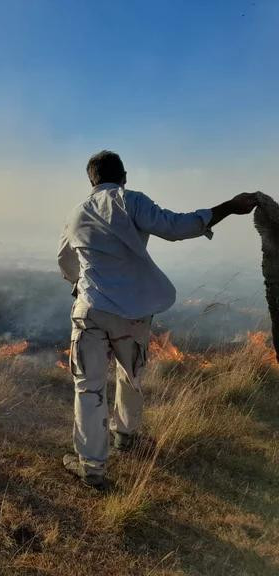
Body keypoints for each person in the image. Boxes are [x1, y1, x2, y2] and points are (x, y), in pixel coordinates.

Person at [58, 150, 258, 488]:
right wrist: (229, 207)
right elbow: (177, 227)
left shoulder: (77, 213)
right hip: (133, 313)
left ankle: (92, 468)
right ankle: (125, 436)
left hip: (89, 311)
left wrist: (78, 284)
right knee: (131, 375)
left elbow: (65, 259)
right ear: (123, 176)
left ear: (91, 180)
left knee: (88, 388)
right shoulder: (131, 201)